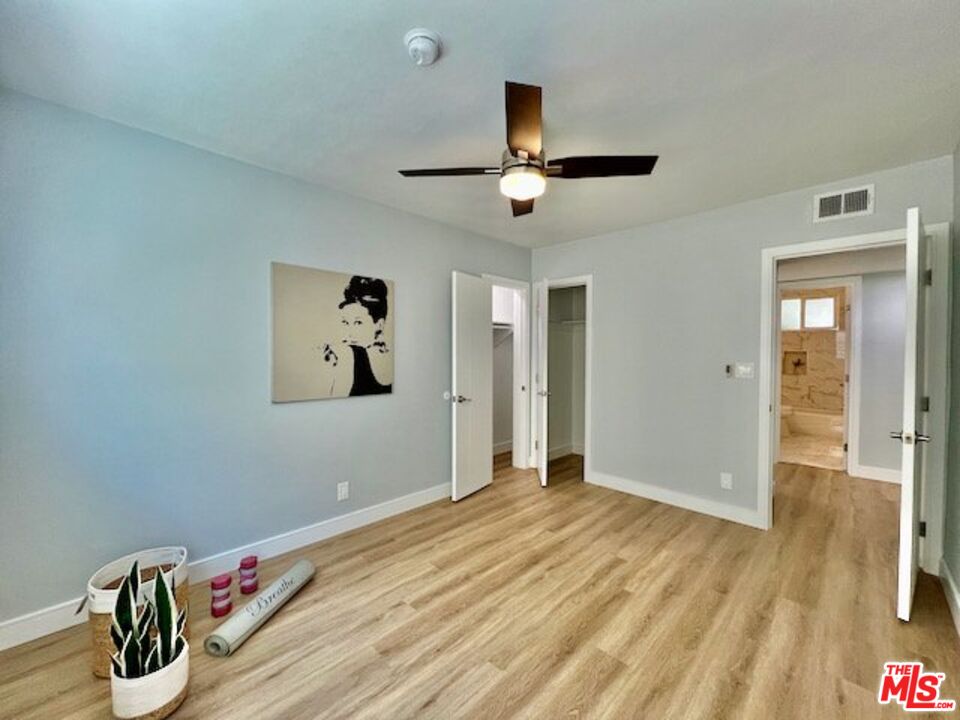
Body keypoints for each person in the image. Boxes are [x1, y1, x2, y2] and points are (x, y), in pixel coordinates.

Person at [319, 276, 392, 396]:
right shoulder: (393, 358)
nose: (349, 332)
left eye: (358, 323)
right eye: (345, 322)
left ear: (379, 325)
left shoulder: (346, 355)